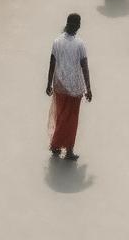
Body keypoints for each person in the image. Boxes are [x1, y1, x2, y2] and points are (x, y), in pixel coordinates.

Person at [45, 13, 92, 160]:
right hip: (75, 88)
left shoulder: (57, 41)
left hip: (59, 86)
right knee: (71, 120)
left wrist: (48, 84)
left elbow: (52, 63)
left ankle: (56, 145)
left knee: (60, 116)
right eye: (78, 23)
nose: (78, 26)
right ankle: (69, 150)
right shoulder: (80, 44)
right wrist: (88, 88)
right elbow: (85, 67)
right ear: (76, 25)